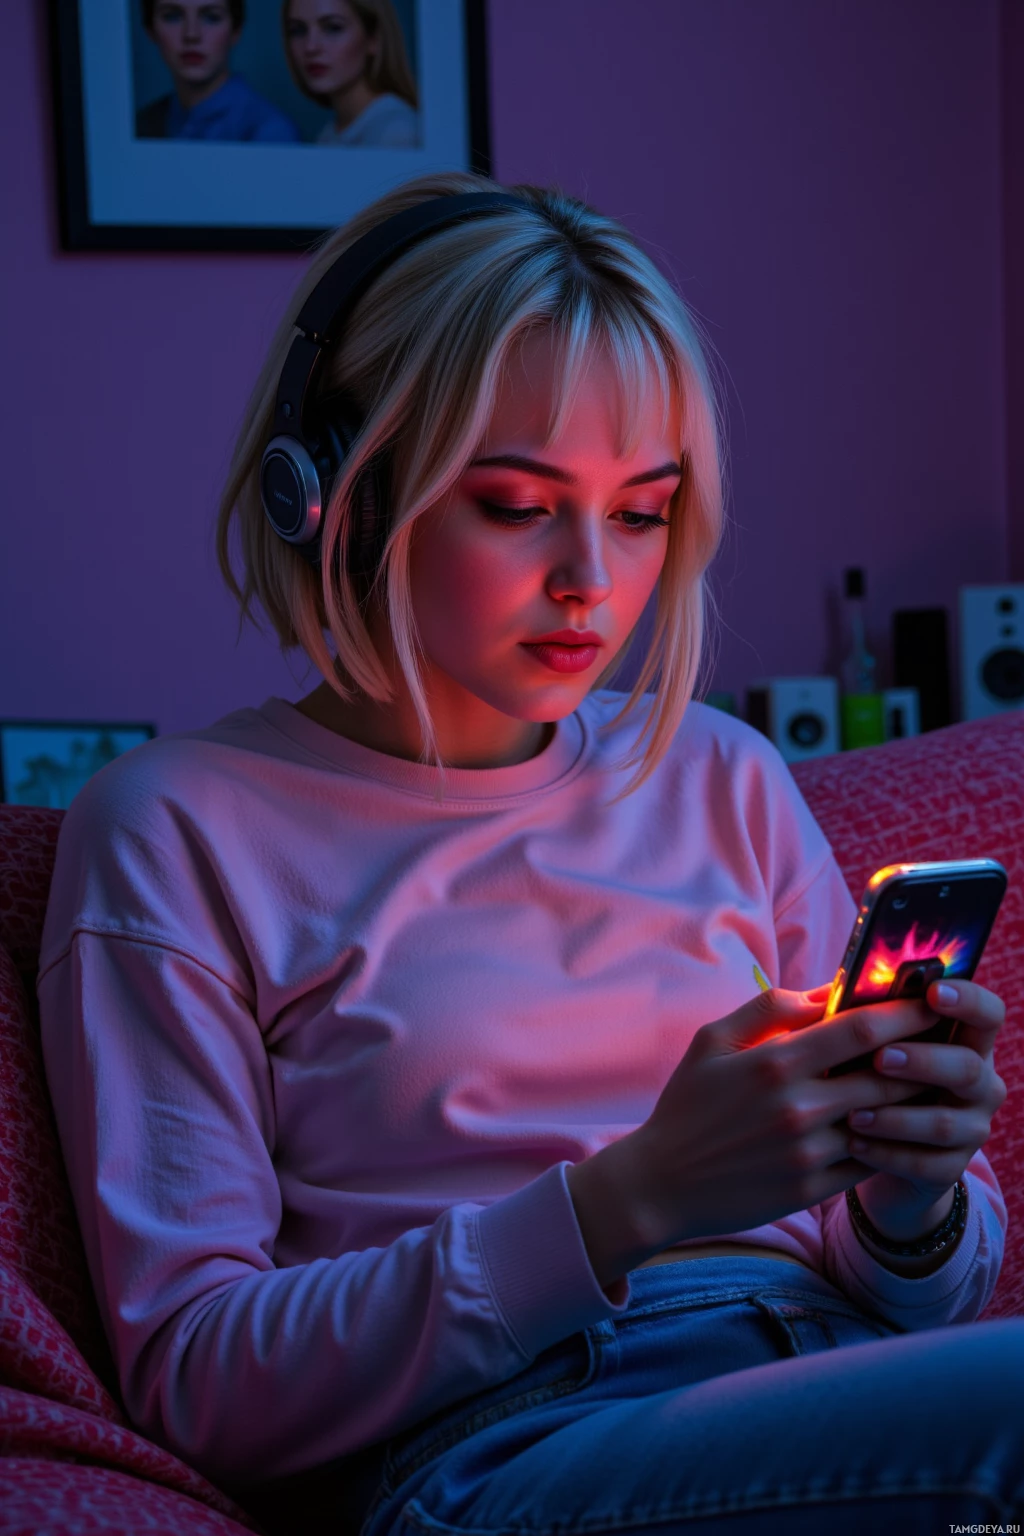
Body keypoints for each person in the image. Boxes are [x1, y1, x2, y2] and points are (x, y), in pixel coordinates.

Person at [37, 170, 1021, 1536]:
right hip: (509, 1445)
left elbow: (921, 1283)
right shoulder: (176, 826)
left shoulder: (720, 774)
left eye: (641, 510)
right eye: (517, 504)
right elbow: (198, 1380)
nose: (594, 584)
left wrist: (911, 1195)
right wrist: (632, 1200)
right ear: (329, 495)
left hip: (839, 1379)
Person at [136, 0, 300, 143]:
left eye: (211, 17)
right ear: (150, 29)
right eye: (172, 16)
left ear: (235, 31)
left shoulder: (269, 131)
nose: (191, 34)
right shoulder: (141, 125)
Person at [282, 0, 420, 147]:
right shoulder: (329, 134)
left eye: (333, 28)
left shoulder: (397, 132)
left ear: (374, 38)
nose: (310, 47)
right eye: (298, 30)